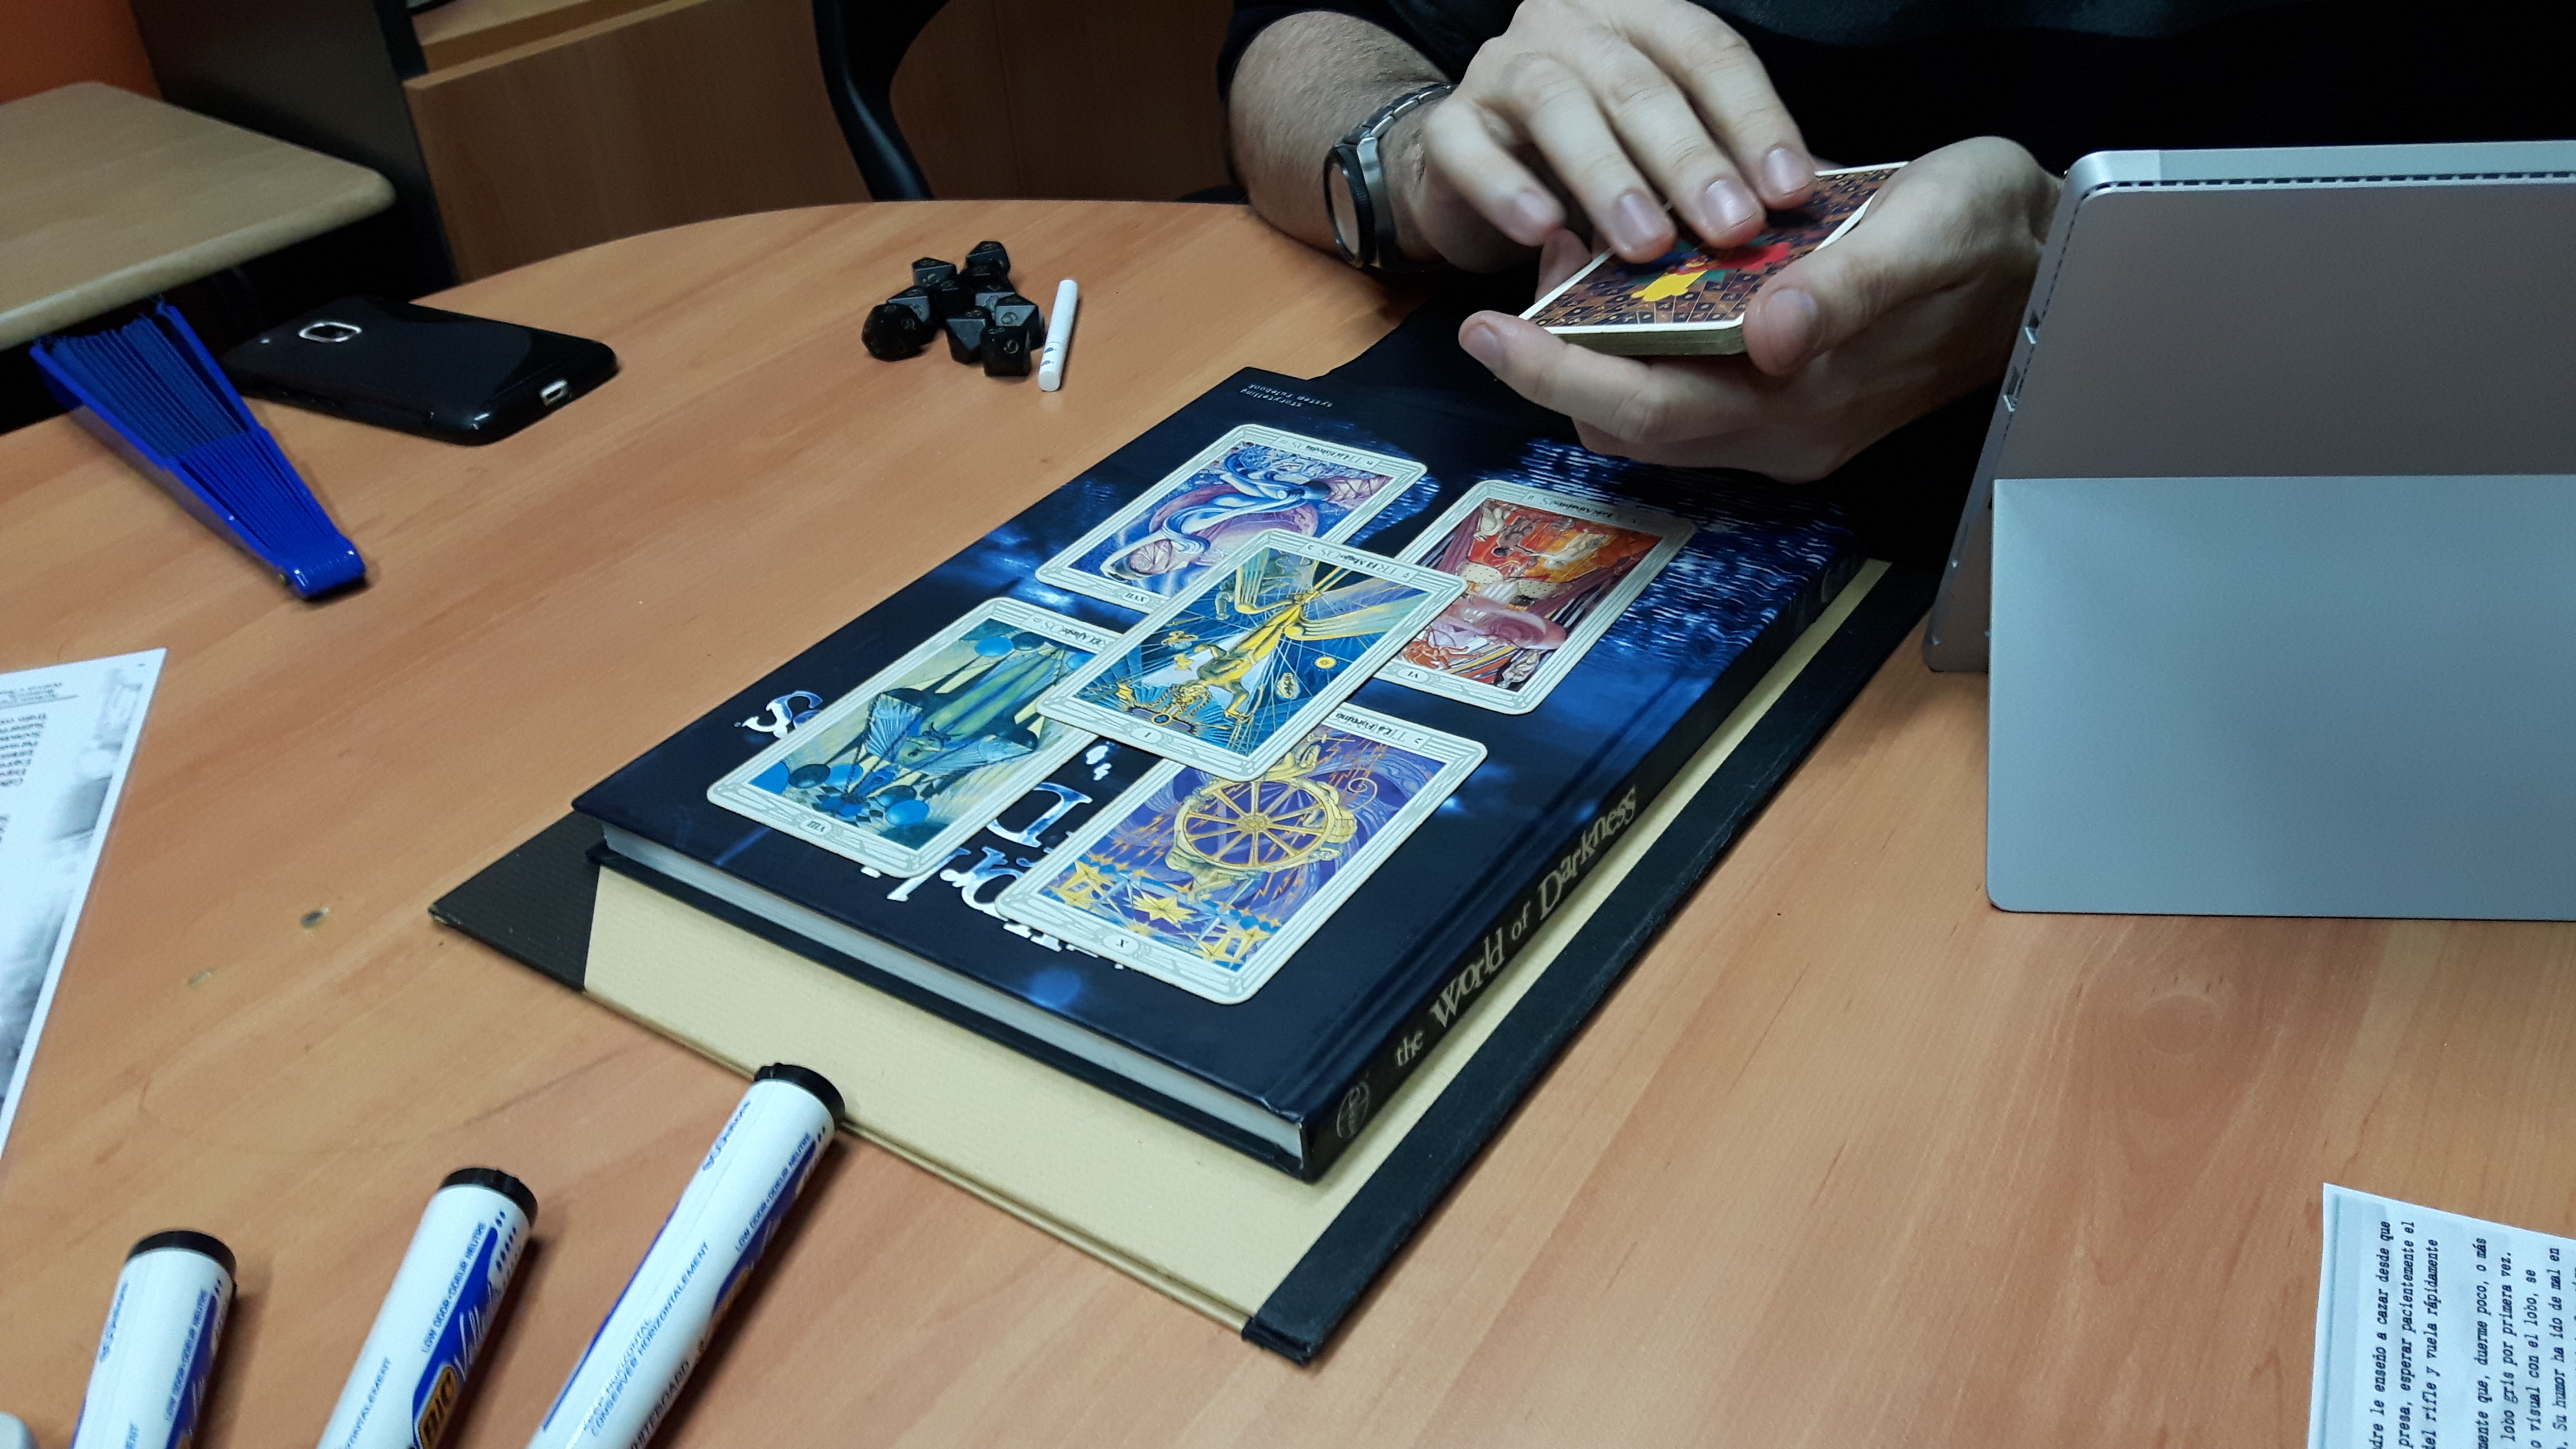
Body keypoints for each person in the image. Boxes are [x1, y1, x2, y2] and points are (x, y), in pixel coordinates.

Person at [1220, 0, 2574, 532]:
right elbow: (1296, 42)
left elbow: (2512, 277)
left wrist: (2090, 297)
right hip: (1557, 503)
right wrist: (1412, 161)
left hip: (2239, 542)